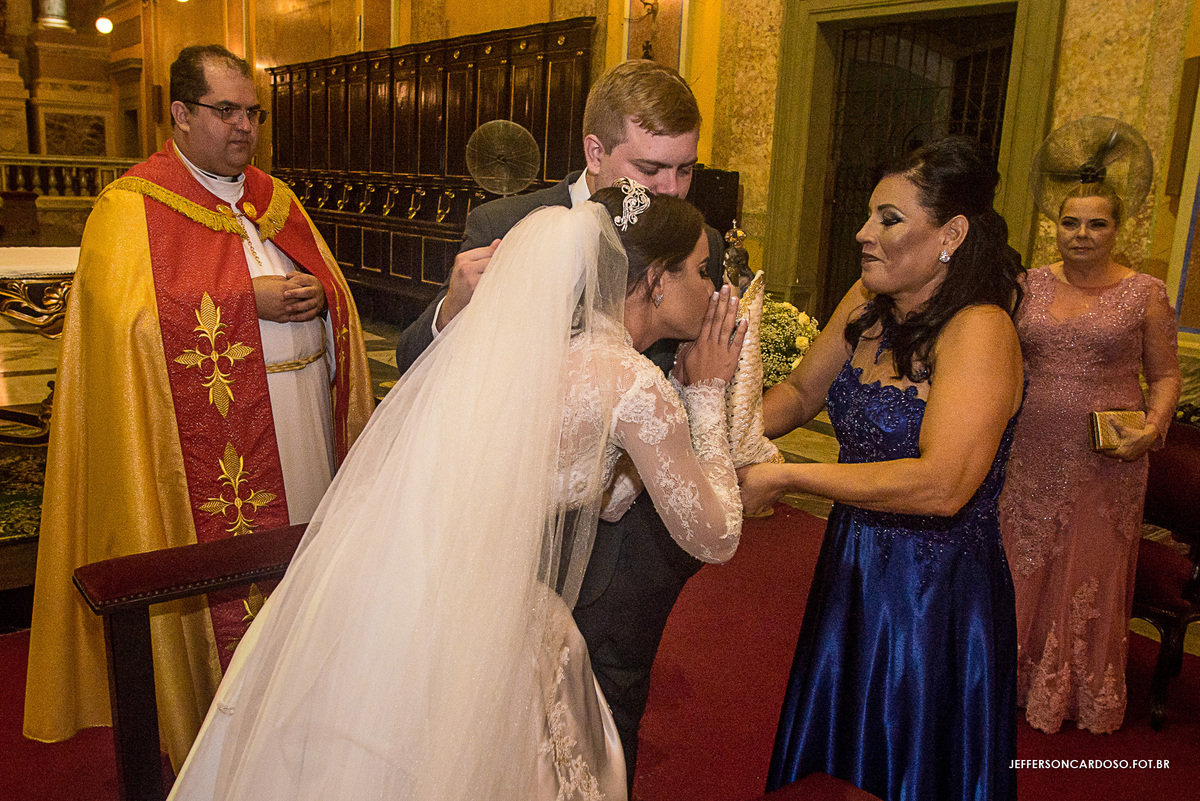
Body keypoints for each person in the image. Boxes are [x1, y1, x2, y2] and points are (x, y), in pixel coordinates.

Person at [166, 182, 745, 800]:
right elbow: (716, 535)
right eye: (703, 271)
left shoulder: (521, 343)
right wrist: (707, 395)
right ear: (656, 280)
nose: (712, 291)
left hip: (394, 582)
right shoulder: (630, 380)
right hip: (478, 610)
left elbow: (598, 494)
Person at [23, 44, 374, 769]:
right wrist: (249, 301)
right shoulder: (130, 208)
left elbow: (328, 286)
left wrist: (322, 296)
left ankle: (317, 713)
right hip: (207, 460)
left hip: (302, 425)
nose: (244, 126)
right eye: (226, 111)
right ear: (180, 114)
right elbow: (127, 328)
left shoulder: (275, 199)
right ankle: (225, 735)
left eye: (252, 111)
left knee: (306, 582)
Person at [394, 58, 723, 778]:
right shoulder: (505, 224)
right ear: (595, 151)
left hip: (626, 555)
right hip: (499, 540)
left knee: (604, 729)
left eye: (687, 171)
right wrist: (452, 308)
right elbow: (418, 367)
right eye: (651, 168)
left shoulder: (690, 240)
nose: (670, 190)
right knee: (487, 730)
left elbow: (694, 376)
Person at [739, 137, 1025, 801]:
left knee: (911, 764)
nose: (865, 233)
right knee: (844, 758)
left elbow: (944, 484)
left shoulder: (979, 329)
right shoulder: (867, 299)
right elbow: (802, 393)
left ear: (951, 233)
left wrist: (787, 476)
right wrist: (715, 435)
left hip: (933, 587)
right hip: (855, 563)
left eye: (889, 219)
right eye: (869, 215)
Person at [999, 183, 1181, 734]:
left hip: (1109, 458)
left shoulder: (1145, 293)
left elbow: (1167, 375)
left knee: (1088, 569)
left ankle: (1071, 689)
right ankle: (1007, 678)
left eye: (1096, 224)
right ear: (1054, 225)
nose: (1081, 234)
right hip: (1029, 449)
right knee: (1020, 561)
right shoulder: (1027, 285)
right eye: (1070, 222)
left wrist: (1151, 430)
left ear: (1118, 229)